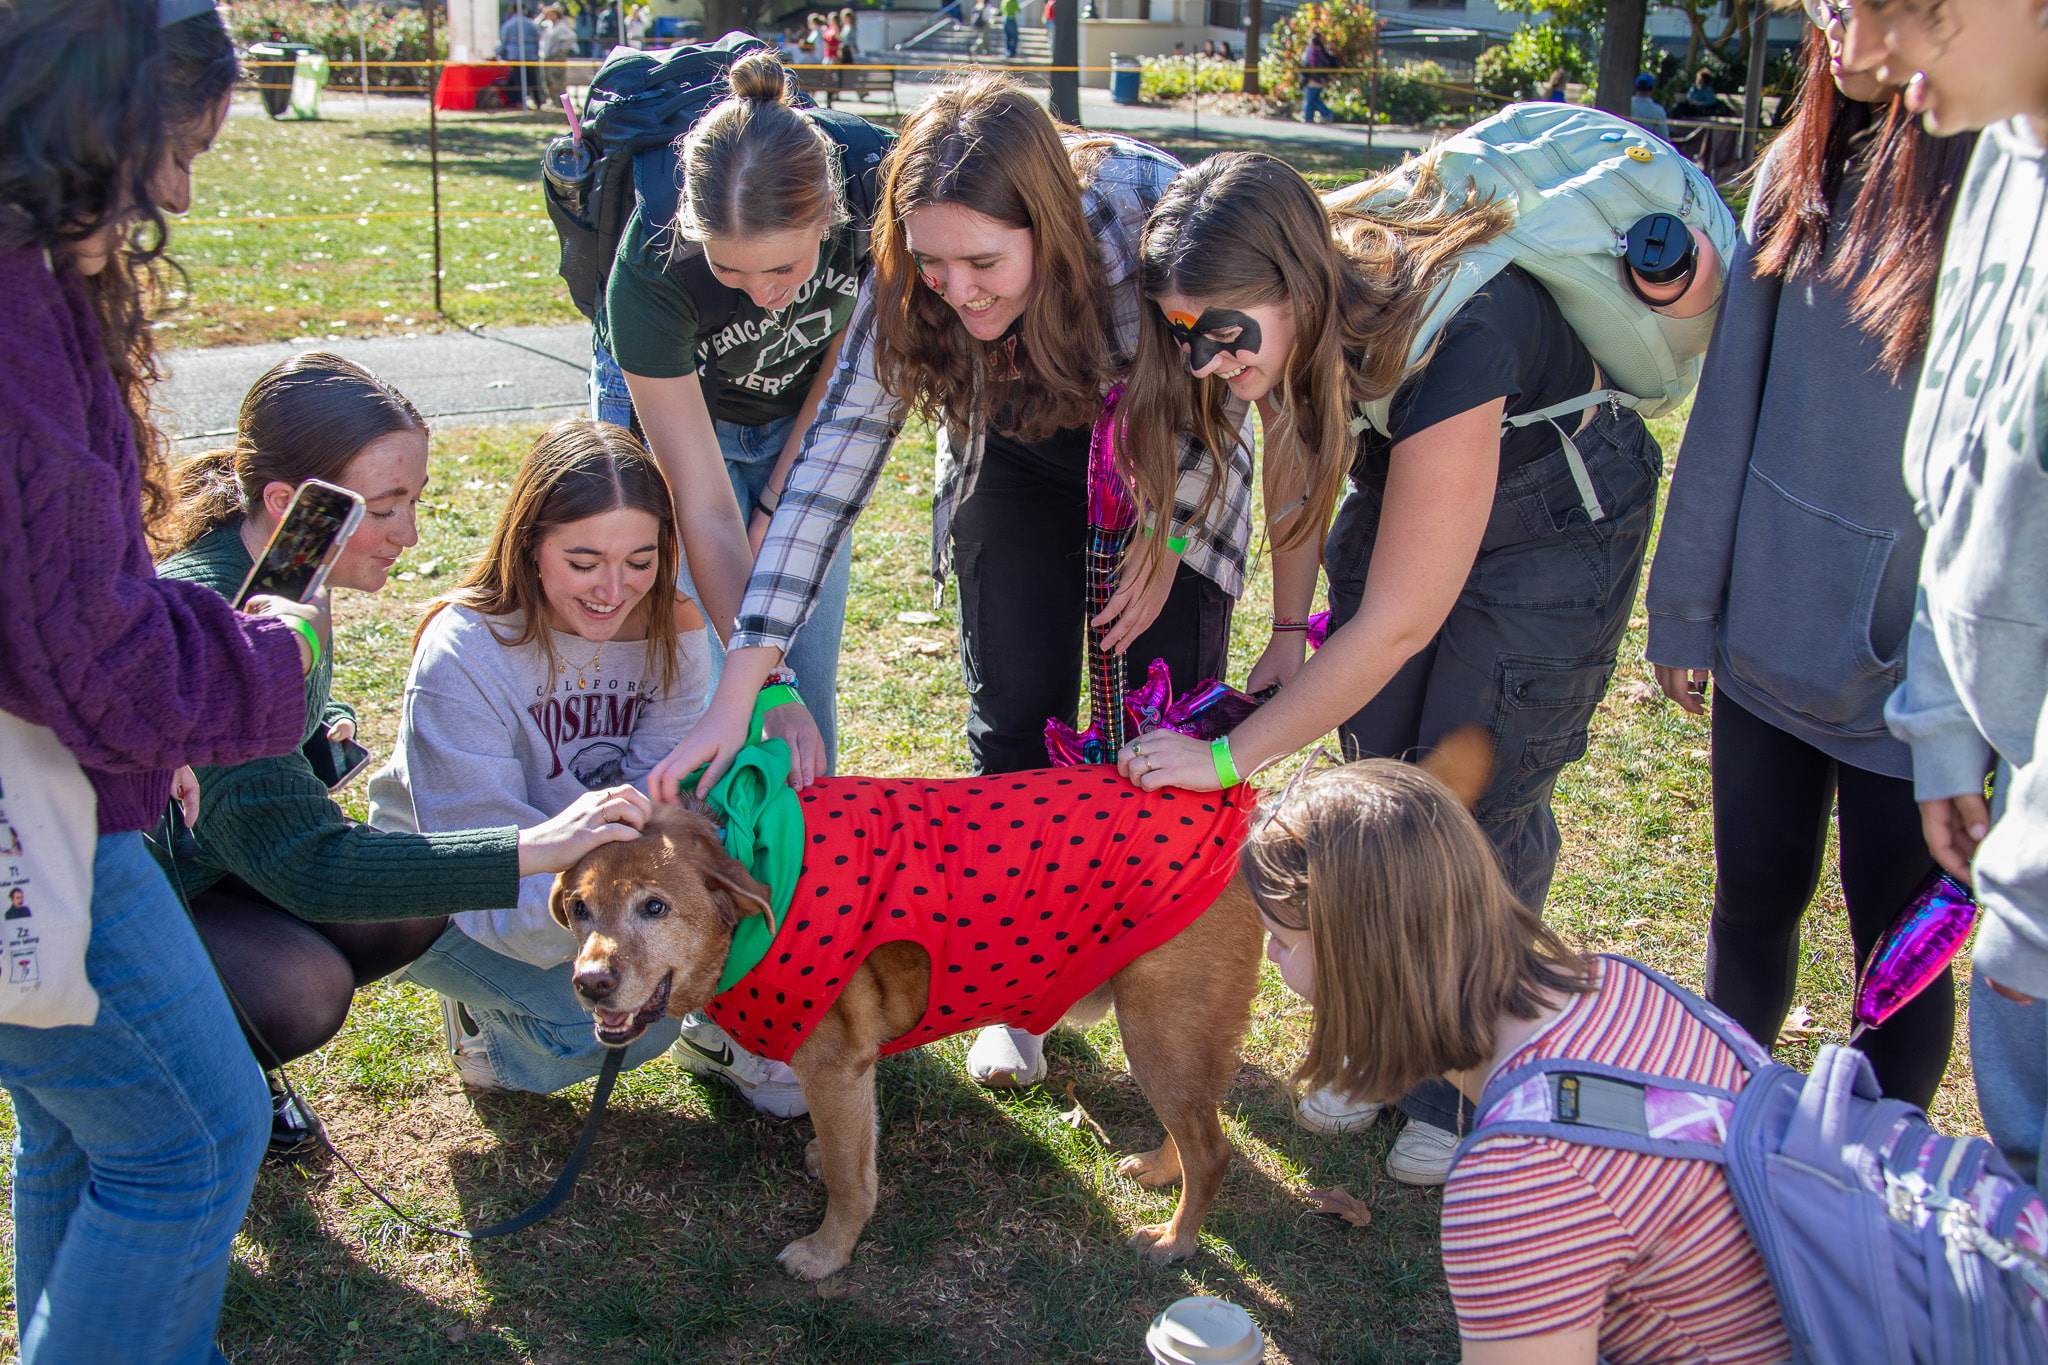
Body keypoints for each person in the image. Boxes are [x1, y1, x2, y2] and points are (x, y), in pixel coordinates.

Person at [652, 77, 1253, 1095]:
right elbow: (822, 483)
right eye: (930, 261)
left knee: (1160, 724)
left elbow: (1234, 380)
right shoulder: (910, 285)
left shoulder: (1147, 220)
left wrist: (1168, 523)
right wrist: (741, 681)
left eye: (983, 261)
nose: (959, 289)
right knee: (1014, 708)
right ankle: (1025, 993)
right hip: (1012, 450)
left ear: (1048, 229)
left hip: (1166, 455)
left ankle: (1163, 966)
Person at [1116, 152, 1660, 1185]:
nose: (1201, 361)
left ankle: (1454, 1075)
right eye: (1183, 336)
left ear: (1292, 285)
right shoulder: (1286, 329)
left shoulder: (1464, 332)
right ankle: (1379, 1030)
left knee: (1471, 796)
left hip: (1551, 519)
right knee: (1376, 785)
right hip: (1414, 481)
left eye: (1220, 334)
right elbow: (1294, 451)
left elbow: (1397, 626)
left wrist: (1224, 760)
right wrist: (1286, 629)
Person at [0, 1, 326, 1357]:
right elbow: (100, 652)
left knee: (85, 1130)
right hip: (36, 819)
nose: (179, 196)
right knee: (194, 1137)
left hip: (56, 792)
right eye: (170, 155)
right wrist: (268, 666)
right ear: (89, 129)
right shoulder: (16, 313)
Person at [154, 353, 653, 1151]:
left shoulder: (290, 560)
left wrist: (315, 735)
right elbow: (312, 866)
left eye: (412, 501)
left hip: (209, 861)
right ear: (289, 500)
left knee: (414, 892)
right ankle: (167, 1091)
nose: (410, 533)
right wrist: (539, 846)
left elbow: (245, 763)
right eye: (386, 508)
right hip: (102, 903)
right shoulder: (219, 620)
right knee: (300, 991)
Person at [1644, 21, 1975, 1111]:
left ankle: (1872, 1185)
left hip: (1912, 683)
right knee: (1749, 899)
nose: (1833, 27)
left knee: (1898, 954)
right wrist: (1685, 609)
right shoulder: (1801, 170)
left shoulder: (1992, 198)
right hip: (1763, 646)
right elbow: (1722, 411)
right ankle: (1723, 1135)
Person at [1243, 760, 1791, 1363]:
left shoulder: (1518, 1176)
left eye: (1284, 941)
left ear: (1361, 956)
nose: (1270, 957)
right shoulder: (1614, 981)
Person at [1844, 0, 2048, 1182]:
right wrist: (1940, 731)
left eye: (1876, 5)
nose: (1859, 56)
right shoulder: (2000, 157)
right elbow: (1959, 493)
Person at [368, 419, 714, 1096]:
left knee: (660, 997)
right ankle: (487, 1034)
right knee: (610, 1015)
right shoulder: (464, 649)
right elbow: (478, 865)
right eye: (583, 563)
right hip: (443, 892)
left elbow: (657, 805)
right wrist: (620, 937)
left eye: (639, 561)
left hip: (590, 884)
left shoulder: (672, 624)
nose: (613, 590)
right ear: (529, 545)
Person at [596, 51, 884, 782]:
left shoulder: (876, 191)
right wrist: (765, 681)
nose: (762, 294)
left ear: (828, 216)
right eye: (731, 271)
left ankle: (798, 866)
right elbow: (703, 508)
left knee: (801, 692)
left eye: (784, 270)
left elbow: (845, 369)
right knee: (693, 673)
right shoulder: (648, 271)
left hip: (806, 422)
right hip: (688, 419)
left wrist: (774, 503)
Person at [497, 2, 542, 108]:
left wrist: (497, 54)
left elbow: (503, 43)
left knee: (518, 82)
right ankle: (538, 101)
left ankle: (521, 102)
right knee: (533, 80)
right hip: (531, 56)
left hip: (515, 56)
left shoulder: (508, 25)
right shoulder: (532, 25)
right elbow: (538, 40)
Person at [539, 3, 577, 106]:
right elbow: (536, 24)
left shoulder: (561, 26)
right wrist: (542, 15)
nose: (550, 16)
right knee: (547, 80)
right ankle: (552, 100)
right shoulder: (547, 25)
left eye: (552, 14)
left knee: (558, 80)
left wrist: (560, 50)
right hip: (546, 56)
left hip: (556, 57)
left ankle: (561, 102)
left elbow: (571, 38)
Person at [1300, 30, 1334, 124]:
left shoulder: (1311, 51)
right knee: (1314, 99)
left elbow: (1307, 65)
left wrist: (1305, 78)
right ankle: (1310, 117)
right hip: (1320, 79)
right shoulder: (1321, 51)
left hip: (1312, 79)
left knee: (1310, 100)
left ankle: (1311, 116)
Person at [1631, 72, 1670, 140]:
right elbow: (1663, 137)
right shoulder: (1658, 111)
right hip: (1647, 148)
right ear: (1653, 88)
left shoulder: (1625, 105)